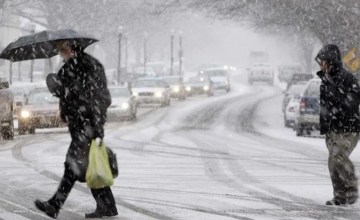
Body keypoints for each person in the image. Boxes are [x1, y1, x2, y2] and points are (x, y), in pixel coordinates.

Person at [34, 40, 118, 218]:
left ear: (72, 47)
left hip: (87, 125)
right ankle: (108, 206)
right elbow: (64, 92)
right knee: (89, 165)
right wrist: (56, 86)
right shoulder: (69, 67)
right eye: (58, 49)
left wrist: (94, 124)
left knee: (71, 166)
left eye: (62, 48)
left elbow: (102, 98)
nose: (59, 52)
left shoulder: (89, 66)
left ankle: (55, 204)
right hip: (80, 125)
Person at [315, 44, 360, 206]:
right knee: (332, 163)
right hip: (333, 129)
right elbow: (324, 106)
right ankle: (340, 196)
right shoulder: (325, 81)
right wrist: (324, 126)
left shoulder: (347, 79)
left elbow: (354, 100)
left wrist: (339, 104)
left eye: (324, 62)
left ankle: (351, 190)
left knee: (338, 158)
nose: (321, 65)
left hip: (348, 128)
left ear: (331, 61)